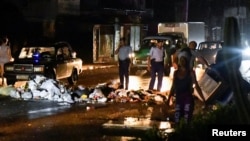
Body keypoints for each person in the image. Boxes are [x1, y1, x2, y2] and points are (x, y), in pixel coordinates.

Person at [166, 48, 196, 124]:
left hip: (187, 98)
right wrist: (169, 98)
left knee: (187, 119)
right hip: (179, 98)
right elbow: (173, 86)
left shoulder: (190, 73)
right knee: (177, 118)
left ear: (187, 61)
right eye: (181, 60)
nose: (182, 62)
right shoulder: (176, 73)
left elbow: (196, 86)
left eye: (184, 60)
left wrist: (203, 99)